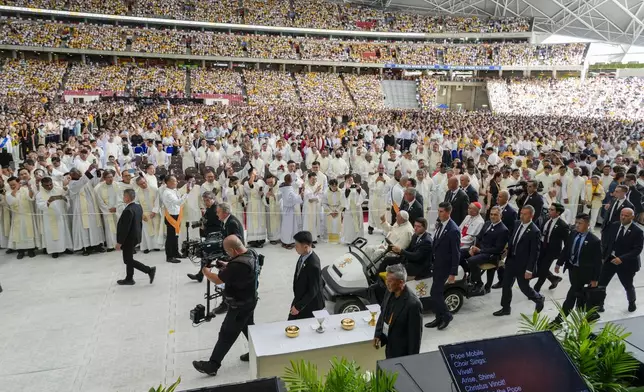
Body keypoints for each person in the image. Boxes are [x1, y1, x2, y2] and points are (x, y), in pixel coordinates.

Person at [193, 235, 260, 376]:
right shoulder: (251, 253)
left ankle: (212, 365)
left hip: (239, 306)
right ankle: (258, 351)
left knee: (226, 334)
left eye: (228, 252)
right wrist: (226, 265)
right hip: (250, 300)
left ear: (234, 251)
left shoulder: (237, 265)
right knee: (249, 328)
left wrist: (206, 273)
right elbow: (237, 270)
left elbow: (218, 280)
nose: (227, 254)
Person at [493, 205, 545, 317]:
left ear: (531, 215)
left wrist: (529, 270)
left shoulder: (534, 231)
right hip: (511, 261)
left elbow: (534, 253)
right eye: (521, 213)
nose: (521, 216)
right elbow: (513, 240)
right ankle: (505, 308)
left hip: (523, 265)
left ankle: (539, 298)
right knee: (506, 285)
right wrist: (507, 251)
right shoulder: (517, 224)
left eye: (525, 214)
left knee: (524, 288)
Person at [553, 213, 602, 321]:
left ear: (588, 224)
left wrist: (595, 279)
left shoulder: (594, 241)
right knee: (579, 293)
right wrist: (559, 263)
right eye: (576, 222)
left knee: (571, 295)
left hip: (584, 272)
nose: (577, 225)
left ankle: (559, 319)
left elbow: (597, 262)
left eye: (580, 223)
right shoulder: (573, 234)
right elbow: (566, 249)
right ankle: (591, 314)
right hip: (572, 269)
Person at [597, 208, 643, 313]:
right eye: (622, 214)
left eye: (626, 215)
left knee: (628, 285)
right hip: (611, 260)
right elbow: (607, 242)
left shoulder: (637, 231)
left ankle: (632, 302)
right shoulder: (614, 225)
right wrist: (603, 256)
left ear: (632, 216)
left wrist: (621, 258)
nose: (623, 217)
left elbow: (637, 249)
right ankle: (600, 303)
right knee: (602, 283)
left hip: (626, 263)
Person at [373, 263, 423, 359]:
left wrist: (412, 360)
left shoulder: (413, 305)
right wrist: (378, 334)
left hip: (401, 352)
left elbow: (415, 338)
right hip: (389, 345)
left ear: (400, 282)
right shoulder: (389, 291)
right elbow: (383, 312)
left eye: (390, 280)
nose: (387, 283)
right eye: (386, 279)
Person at [425, 202, 460, 331]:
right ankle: (439, 316)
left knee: (435, 293)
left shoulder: (453, 230)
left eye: (441, 211)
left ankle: (446, 315)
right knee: (435, 292)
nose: (439, 214)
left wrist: (453, 273)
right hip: (437, 264)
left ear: (448, 212)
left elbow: (456, 253)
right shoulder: (440, 224)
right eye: (438, 211)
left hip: (445, 266)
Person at [115, 189, 156, 286]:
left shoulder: (128, 210)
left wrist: (119, 242)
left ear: (128, 197)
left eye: (124, 196)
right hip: (135, 236)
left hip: (128, 239)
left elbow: (125, 228)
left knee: (128, 260)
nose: (123, 197)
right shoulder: (138, 206)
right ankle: (129, 278)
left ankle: (149, 270)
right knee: (129, 258)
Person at [466, 206, 509, 296]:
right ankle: (469, 279)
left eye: (495, 215)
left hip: (492, 255)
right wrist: (473, 248)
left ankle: (479, 283)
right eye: (491, 214)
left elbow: (498, 249)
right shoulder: (487, 223)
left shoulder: (503, 230)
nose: (492, 216)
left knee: (471, 261)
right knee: (461, 254)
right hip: (481, 251)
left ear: (501, 216)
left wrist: (480, 250)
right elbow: (479, 237)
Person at [67, 165, 105, 255]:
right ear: (72, 175)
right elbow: (82, 181)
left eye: (80, 172)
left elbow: (94, 183)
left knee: (95, 226)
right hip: (81, 210)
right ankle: (86, 247)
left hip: (92, 207)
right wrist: (89, 170)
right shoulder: (72, 184)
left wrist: (98, 174)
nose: (80, 174)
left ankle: (97, 245)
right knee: (84, 229)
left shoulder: (84, 180)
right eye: (78, 173)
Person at [533, 203, 569, 293]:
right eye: (549, 209)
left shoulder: (563, 225)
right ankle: (554, 279)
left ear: (558, 213)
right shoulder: (546, 219)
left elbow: (567, 243)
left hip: (552, 250)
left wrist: (562, 259)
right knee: (539, 265)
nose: (549, 211)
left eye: (552, 210)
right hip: (542, 247)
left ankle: (536, 288)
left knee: (544, 268)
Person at [289, 231, 324, 320]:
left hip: (310, 305)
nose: (295, 248)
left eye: (297, 246)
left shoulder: (313, 265)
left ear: (305, 247)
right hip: (300, 297)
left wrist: (298, 307)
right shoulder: (303, 255)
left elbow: (313, 290)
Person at [35, 177, 72, 258]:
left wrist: (64, 198)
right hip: (49, 218)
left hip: (60, 216)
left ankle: (65, 248)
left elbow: (67, 198)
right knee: (52, 235)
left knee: (63, 232)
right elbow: (40, 206)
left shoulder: (59, 189)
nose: (49, 187)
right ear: (42, 185)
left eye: (50, 184)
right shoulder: (39, 194)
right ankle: (54, 250)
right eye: (46, 185)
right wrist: (49, 201)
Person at [490, 190, 517, 289]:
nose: (497, 198)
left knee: (501, 261)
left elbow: (512, 229)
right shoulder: (495, 208)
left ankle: (503, 280)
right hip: (493, 239)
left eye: (500, 197)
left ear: (506, 199)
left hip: (504, 241)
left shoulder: (511, 212)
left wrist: (508, 244)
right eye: (497, 196)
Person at [161, 176, 188, 264]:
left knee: (176, 236)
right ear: (168, 183)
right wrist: (186, 194)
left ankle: (176, 253)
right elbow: (179, 202)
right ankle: (169, 256)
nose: (176, 182)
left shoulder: (174, 190)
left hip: (177, 215)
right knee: (170, 237)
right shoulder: (167, 193)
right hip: (171, 216)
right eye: (174, 181)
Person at [134, 176, 160, 254]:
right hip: (144, 214)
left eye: (144, 182)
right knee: (146, 231)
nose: (143, 185)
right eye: (141, 184)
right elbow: (136, 204)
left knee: (156, 229)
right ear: (138, 185)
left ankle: (156, 246)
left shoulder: (154, 189)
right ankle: (147, 247)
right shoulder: (137, 192)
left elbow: (157, 201)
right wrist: (141, 214)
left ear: (146, 181)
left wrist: (154, 211)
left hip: (155, 212)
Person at [279, 174, 303, 249]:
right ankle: (288, 242)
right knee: (289, 227)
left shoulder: (283, 187)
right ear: (290, 180)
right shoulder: (289, 189)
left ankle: (284, 241)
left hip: (286, 209)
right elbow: (292, 199)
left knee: (286, 226)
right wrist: (300, 195)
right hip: (289, 210)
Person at [341, 174, 365, 243]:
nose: (350, 181)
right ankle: (350, 240)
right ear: (345, 181)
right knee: (350, 225)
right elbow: (342, 198)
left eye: (351, 179)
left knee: (358, 223)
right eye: (348, 180)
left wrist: (359, 190)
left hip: (357, 208)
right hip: (349, 209)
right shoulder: (344, 188)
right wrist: (347, 191)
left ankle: (359, 238)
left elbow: (363, 194)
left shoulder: (357, 186)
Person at [322, 179, 342, 243]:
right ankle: (330, 239)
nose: (334, 188)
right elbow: (324, 203)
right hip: (329, 210)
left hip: (337, 210)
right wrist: (330, 212)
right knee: (329, 225)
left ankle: (337, 239)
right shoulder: (326, 193)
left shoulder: (341, 192)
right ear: (329, 185)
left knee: (337, 225)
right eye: (332, 186)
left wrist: (337, 210)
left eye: (335, 186)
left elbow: (343, 202)